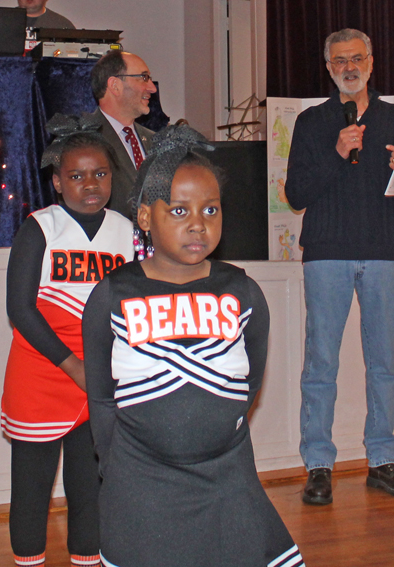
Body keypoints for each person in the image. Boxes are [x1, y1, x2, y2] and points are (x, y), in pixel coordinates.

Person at [82, 124, 305, 567]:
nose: (199, 225)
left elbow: (250, 382)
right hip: (142, 485)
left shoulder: (241, 292)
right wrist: (121, 464)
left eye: (211, 210)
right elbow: (101, 397)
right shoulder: (113, 294)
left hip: (226, 480)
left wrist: (216, 431)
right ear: (146, 218)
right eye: (179, 211)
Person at [285, 28, 394, 506]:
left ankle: (382, 460)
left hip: (386, 252)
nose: (349, 67)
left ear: (372, 63)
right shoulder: (312, 123)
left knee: (383, 364)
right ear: (328, 68)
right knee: (321, 363)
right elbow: (295, 195)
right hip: (327, 252)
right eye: (339, 61)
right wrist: (336, 152)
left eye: (357, 59)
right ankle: (318, 465)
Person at [1, 114, 134, 567]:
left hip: (98, 376)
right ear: (58, 182)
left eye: (100, 173)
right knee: (33, 491)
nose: (90, 184)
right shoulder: (40, 227)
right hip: (42, 371)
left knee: (90, 488)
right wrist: (71, 364)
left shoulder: (125, 231)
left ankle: (87, 559)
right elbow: (20, 310)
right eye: (76, 176)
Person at [90, 50, 157, 219]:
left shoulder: (155, 140)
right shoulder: (85, 140)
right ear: (115, 85)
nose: (152, 88)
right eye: (144, 77)